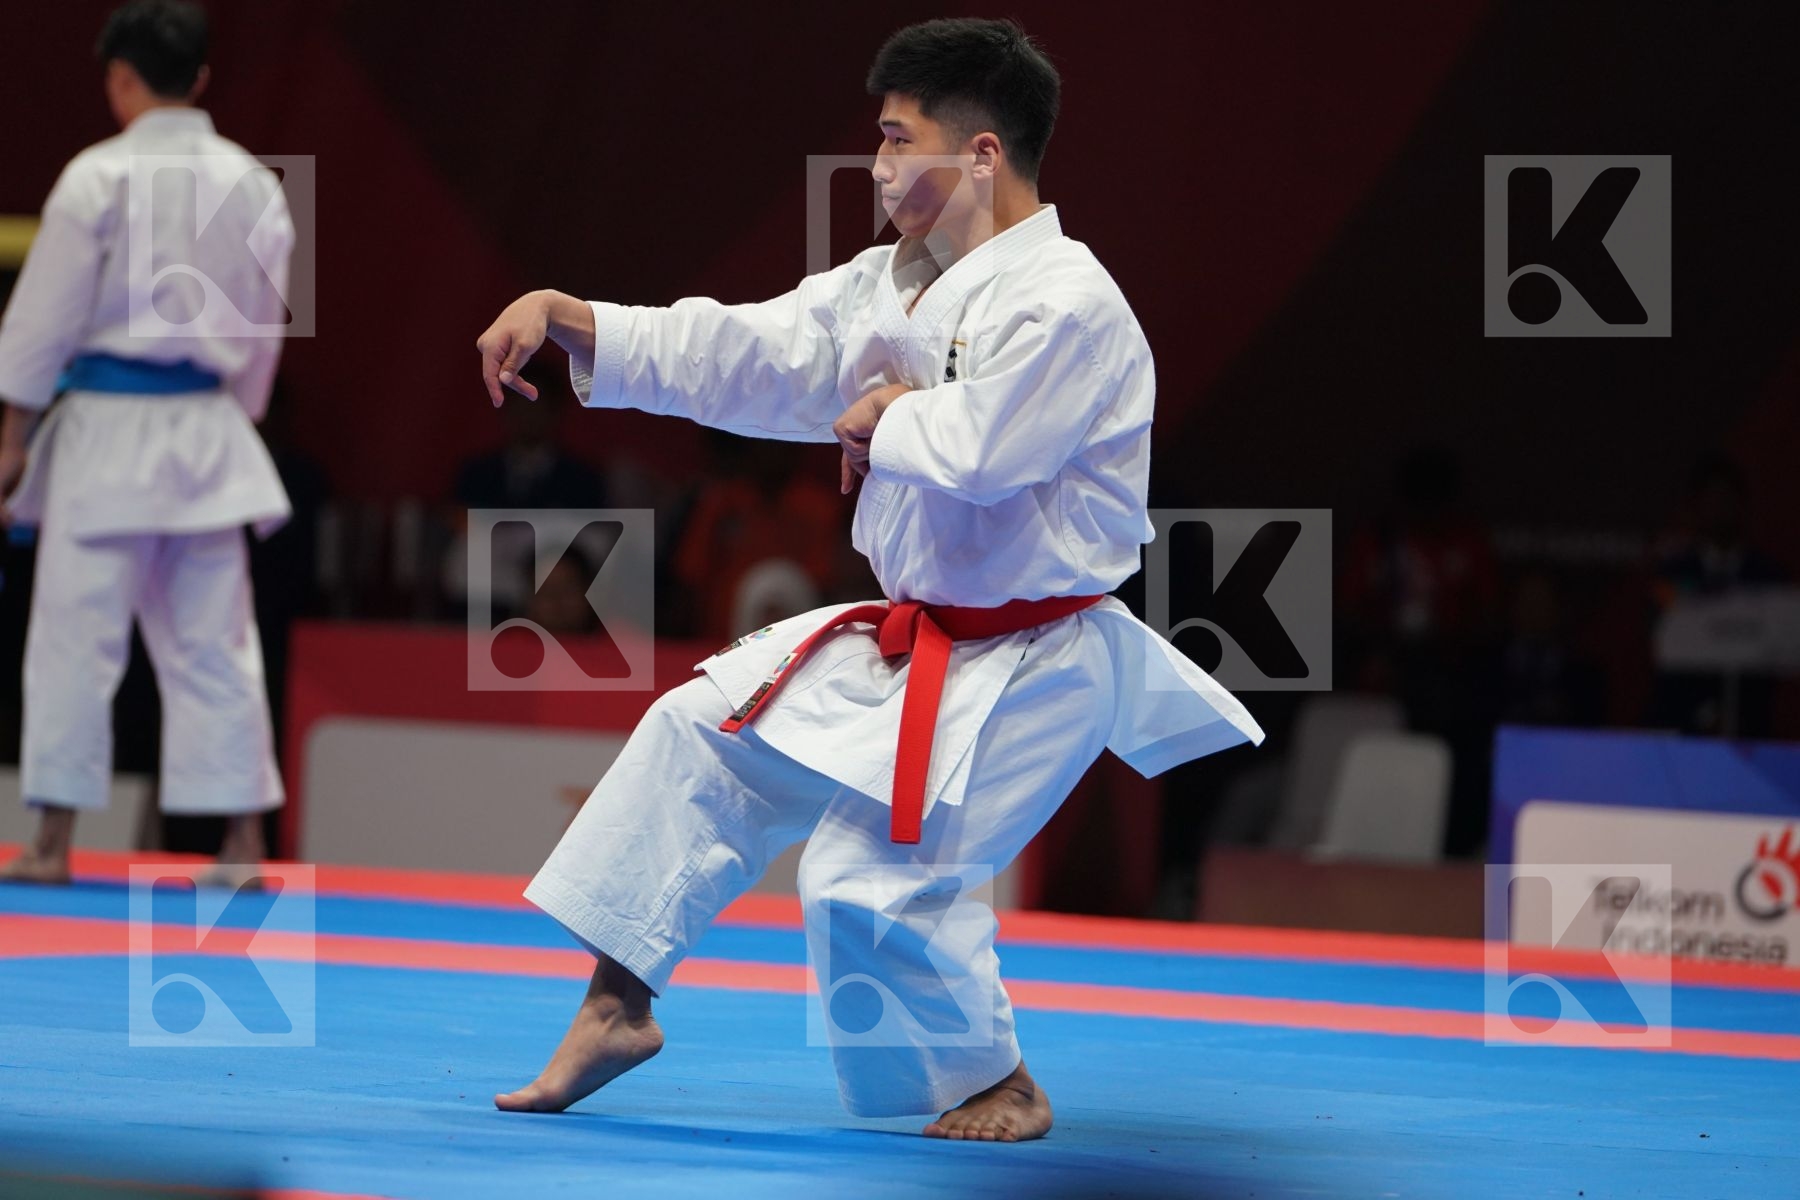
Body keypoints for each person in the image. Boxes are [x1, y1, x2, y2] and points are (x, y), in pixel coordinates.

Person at [474, 17, 1263, 1142]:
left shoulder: (1071, 304)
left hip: (1035, 658)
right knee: (698, 730)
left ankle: (1001, 1081)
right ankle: (617, 1005)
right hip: (917, 634)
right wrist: (573, 319)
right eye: (878, 142)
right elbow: (739, 352)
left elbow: (988, 452)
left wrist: (890, 414)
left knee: (861, 881)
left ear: (982, 154)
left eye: (899, 140)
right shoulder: (883, 287)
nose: (881, 167)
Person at [0, 1, 293, 885]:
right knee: (219, 643)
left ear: (120, 78)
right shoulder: (256, 183)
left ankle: (52, 843)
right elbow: (264, 326)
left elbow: (40, 319)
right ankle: (241, 843)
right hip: (208, 432)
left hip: (104, 438)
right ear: (200, 79)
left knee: (71, 641)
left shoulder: (97, 175)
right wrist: (232, 411)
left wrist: (12, 436)